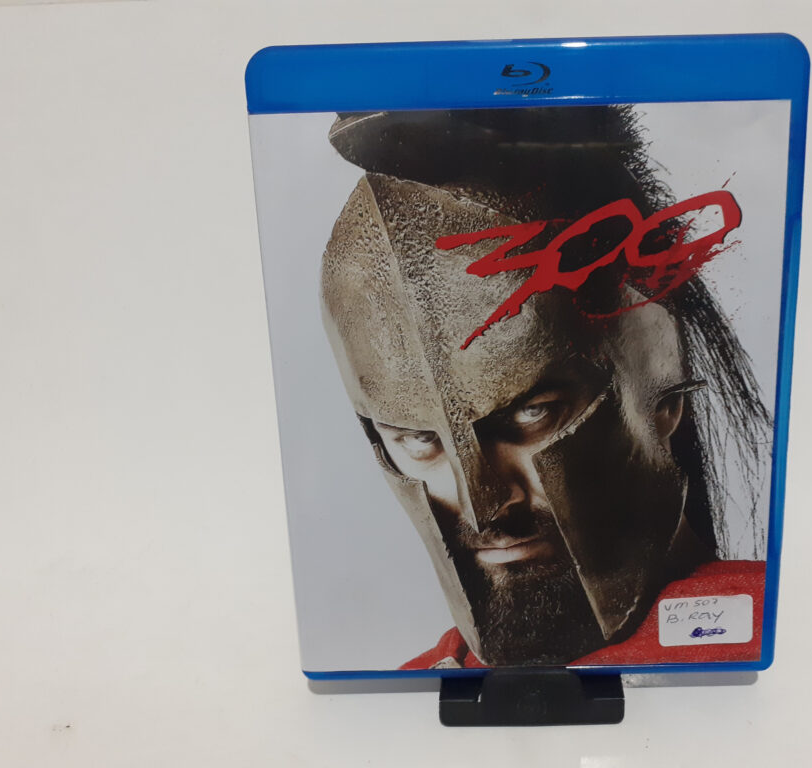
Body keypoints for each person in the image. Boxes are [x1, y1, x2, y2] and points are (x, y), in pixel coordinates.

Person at [320, 106, 772, 668]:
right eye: (419, 439)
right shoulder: (418, 684)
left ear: (665, 397)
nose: (485, 507)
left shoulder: (772, 639)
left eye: (532, 414)